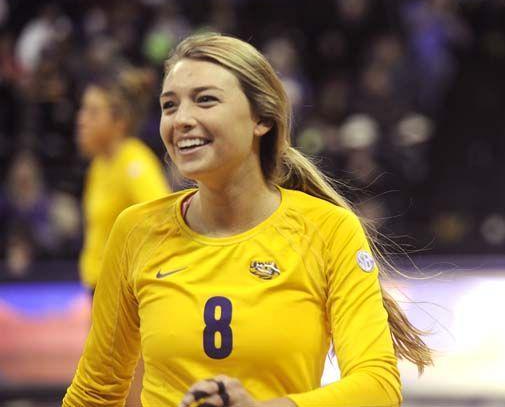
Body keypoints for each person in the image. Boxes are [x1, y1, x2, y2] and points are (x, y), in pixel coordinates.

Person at [63, 33, 432, 407]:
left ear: (262, 119)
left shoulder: (329, 229)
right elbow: (94, 394)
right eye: (169, 105)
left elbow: (379, 388)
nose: (182, 120)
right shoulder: (135, 231)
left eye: (205, 100)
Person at [75, 66, 171, 406]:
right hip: (99, 294)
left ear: (118, 122)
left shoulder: (135, 163)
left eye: (92, 111)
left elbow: (165, 220)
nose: (81, 119)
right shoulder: (101, 165)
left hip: (125, 302)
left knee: (130, 396)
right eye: (82, 110)